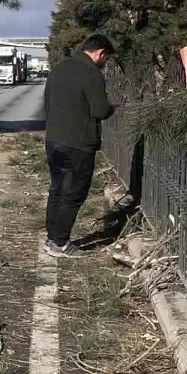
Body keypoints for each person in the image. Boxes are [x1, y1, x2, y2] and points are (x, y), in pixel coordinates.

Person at [42, 34, 116, 258]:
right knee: (74, 193)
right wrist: (113, 107)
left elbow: (46, 101)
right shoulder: (91, 73)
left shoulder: (60, 68)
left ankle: (52, 237)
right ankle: (61, 243)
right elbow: (100, 110)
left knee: (57, 189)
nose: (105, 64)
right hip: (79, 143)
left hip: (54, 139)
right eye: (106, 59)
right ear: (101, 53)